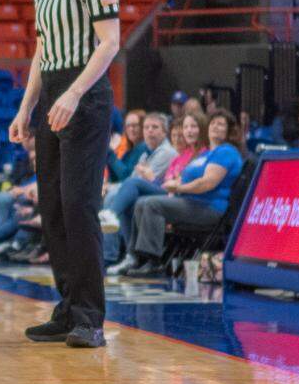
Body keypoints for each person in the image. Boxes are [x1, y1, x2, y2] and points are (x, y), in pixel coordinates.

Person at [9, 0, 121, 349]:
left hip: (87, 94)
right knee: (52, 207)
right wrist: (25, 107)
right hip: (53, 90)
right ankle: (67, 307)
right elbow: (42, 50)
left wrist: (75, 93)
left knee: (78, 204)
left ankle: (91, 317)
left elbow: (110, 42)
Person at [117, 109, 244, 277]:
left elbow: (207, 183)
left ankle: (154, 261)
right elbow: (185, 179)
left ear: (229, 130)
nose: (215, 127)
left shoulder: (226, 151)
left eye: (220, 124)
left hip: (210, 208)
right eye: (212, 123)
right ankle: (137, 258)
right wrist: (176, 183)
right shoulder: (207, 154)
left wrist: (178, 188)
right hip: (191, 203)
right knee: (141, 202)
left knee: (151, 204)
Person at [100, 112, 177, 262]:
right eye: (147, 127)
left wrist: (110, 155)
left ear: (164, 131)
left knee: (117, 196)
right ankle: (127, 254)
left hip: (163, 192)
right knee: (117, 195)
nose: (149, 130)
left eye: (155, 127)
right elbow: (131, 179)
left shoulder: (166, 152)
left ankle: (111, 251)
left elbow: (140, 181)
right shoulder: (145, 153)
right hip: (148, 191)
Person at [107, 110, 146, 183]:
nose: (131, 129)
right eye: (128, 126)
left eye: (134, 125)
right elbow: (114, 179)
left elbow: (127, 177)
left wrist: (109, 153)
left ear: (143, 126)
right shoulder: (129, 151)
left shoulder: (144, 148)